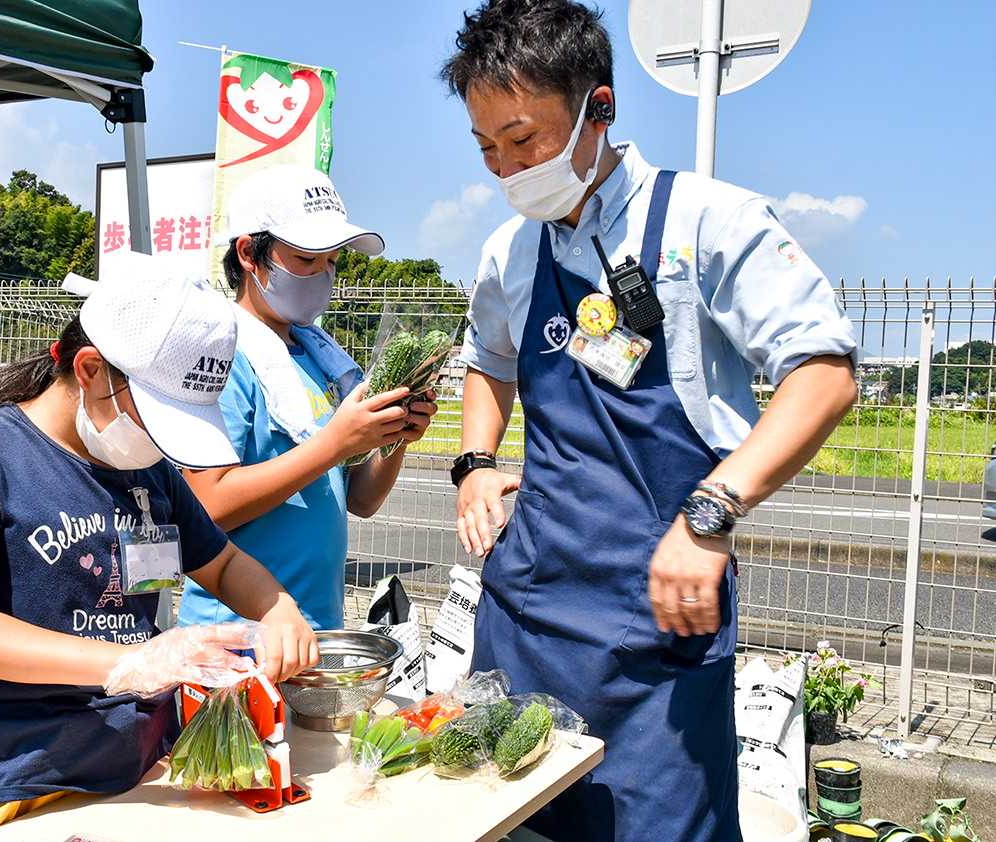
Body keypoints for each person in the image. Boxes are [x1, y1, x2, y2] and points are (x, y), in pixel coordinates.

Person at [440, 2, 859, 840]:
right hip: (526, 609)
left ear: (599, 108)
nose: (507, 169)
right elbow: (488, 360)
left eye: (523, 140)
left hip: (659, 625)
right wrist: (476, 462)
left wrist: (711, 515)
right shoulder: (509, 252)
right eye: (488, 147)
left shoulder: (710, 222)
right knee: (508, 822)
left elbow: (823, 373)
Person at [0, 270, 318, 842]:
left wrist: (279, 608)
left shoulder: (151, 470)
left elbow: (223, 564)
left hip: (131, 775)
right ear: (89, 370)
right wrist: (131, 662)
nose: (162, 445)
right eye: (157, 417)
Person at [177, 164, 438, 631]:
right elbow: (205, 504)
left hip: (317, 627)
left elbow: (360, 499)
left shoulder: (321, 361)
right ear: (250, 255)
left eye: (332, 260)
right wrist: (335, 443)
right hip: (238, 634)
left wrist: (397, 435)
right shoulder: (223, 356)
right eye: (306, 258)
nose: (323, 274)